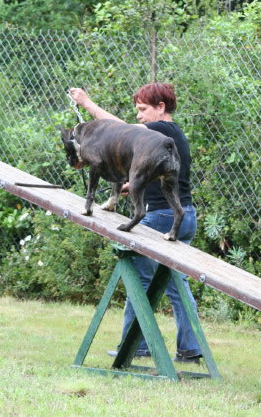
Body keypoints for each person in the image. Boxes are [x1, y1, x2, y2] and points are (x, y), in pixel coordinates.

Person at [68, 84, 202, 362]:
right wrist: (132, 183)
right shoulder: (175, 135)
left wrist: (87, 103)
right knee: (176, 286)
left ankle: (135, 347)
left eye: (143, 110)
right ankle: (190, 348)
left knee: (138, 280)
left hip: (158, 217)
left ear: (161, 108)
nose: (139, 117)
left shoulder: (162, 131)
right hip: (183, 215)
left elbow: (117, 130)